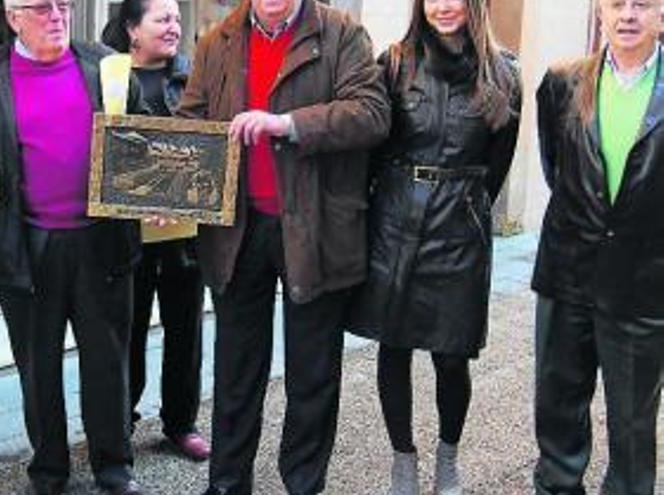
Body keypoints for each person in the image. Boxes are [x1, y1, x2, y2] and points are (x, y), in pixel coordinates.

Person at [178, 0, 391, 492]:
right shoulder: (217, 41)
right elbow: (192, 123)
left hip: (315, 228)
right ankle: (228, 484)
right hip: (237, 230)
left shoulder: (343, 35)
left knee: (312, 375)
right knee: (235, 373)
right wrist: (176, 189)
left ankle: (302, 484)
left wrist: (289, 124)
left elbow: (373, 114)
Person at [0, 0, 148, 494]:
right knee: (38, 366)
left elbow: (143, 137)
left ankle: (114, 465)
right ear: (13, 17)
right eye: (42, 7)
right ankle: (49, 468)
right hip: (26, 245)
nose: (57, 15)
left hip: (101, 241)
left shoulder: (107, 67)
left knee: (107, 360)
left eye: (63, 5)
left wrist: (150, 195)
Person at [349, 1, 521, 493]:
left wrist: (466, 206)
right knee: (394, 345)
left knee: (451, 354)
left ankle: (448, 456)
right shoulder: (396, 62)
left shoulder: (504, 73)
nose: (443, 6)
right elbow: (374, 150)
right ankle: (403, 459)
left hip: (459, 223)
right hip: (397, 219)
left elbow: (498, 164)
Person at [533, 0, 664, 493]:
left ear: (661, 16)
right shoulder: (563, 81)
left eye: (642, 4)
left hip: (644, 282)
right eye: (616, 4)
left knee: (633, 425)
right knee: (557, 409)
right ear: (601, 13)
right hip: (568, 272)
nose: (628, 15)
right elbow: (557, 168)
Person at [101, 0, 211, 462]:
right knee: (125, 329)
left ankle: (181, 423)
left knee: (186, 329)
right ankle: (119, 422)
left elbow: (209, 145)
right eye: (162, 19)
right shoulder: (103, 75)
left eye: (177, 21)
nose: (174, 28)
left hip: (183, 230)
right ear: (132, 28)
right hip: (125, 234)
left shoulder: (194, 77)